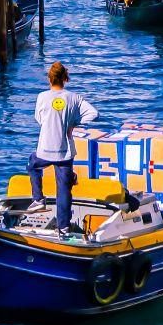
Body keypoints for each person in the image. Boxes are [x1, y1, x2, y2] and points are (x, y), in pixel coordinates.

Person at [30, 61, 98, 235]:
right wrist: (73, 123)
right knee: (63, 190)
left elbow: (38, 119)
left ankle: (38, 199)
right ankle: (64, 227)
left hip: (45, 149)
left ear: (49, 78)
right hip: (64, 152)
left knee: (32, 164)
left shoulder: (42, 97)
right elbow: (93, 113)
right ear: (65, 78)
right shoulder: (74, 98)